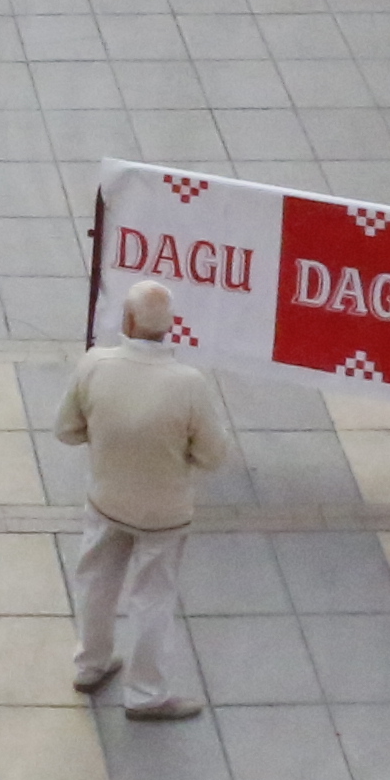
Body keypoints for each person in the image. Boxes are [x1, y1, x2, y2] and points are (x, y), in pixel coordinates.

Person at [56, 274, 237, 720]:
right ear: (168, 327)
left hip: (106, 499)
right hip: (164, 512)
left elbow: (66, 429)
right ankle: (145, 693)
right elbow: (213, 455)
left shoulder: (95, 365)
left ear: (129, 320)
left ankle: (91, 665)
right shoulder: (188, 383)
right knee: (152, 598)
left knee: (96, 582)